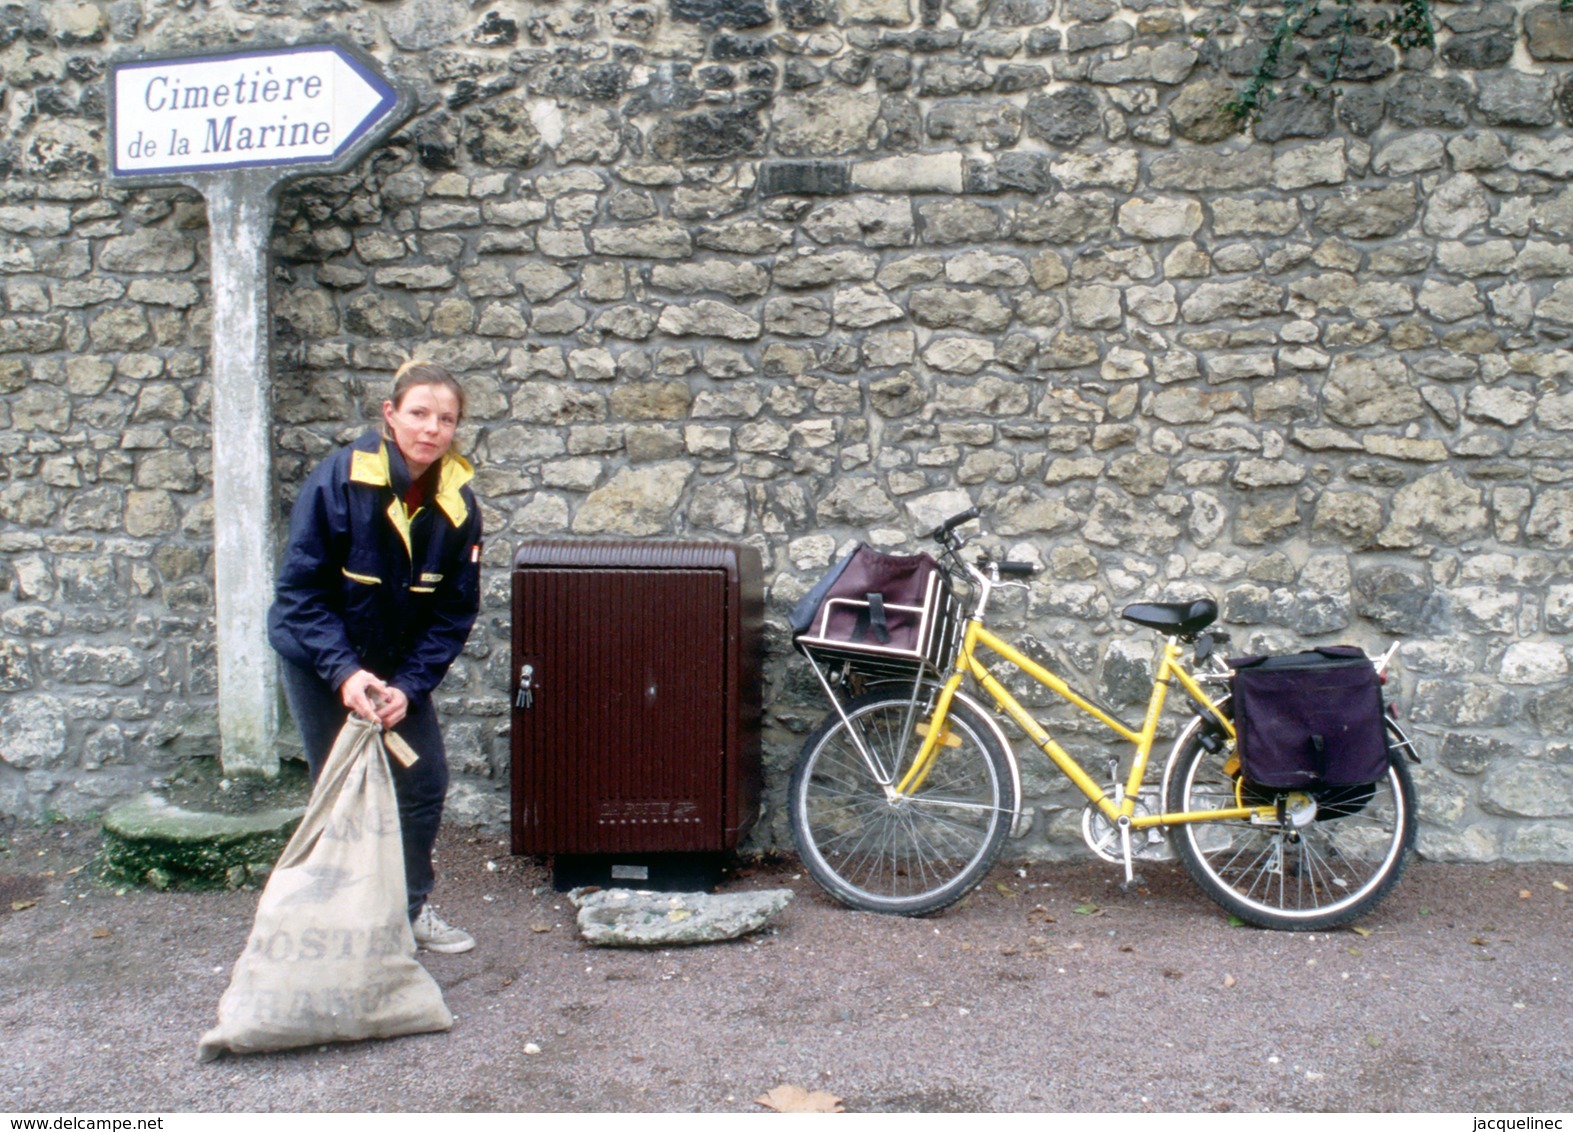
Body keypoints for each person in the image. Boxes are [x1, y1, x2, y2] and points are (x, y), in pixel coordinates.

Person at [267, 360, 483, 954]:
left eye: (445, 418)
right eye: (419, 413)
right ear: (390, 415)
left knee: (422, 782)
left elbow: (451, 616)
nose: (431, 428)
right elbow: (301, 595)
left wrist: (407, 687)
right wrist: (344, 673)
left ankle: (406, 913)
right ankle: (331, 926)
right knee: (340, 790)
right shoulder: (337, 482)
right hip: (321, 659)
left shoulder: (458, 504)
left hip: (394, 671)